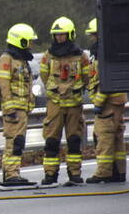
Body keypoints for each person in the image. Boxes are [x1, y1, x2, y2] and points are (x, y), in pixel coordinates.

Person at [38, 16, 90, 185]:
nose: (59, 38)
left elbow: (87, 76)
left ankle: (74, 173)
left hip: (74, 105)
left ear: (70, 35)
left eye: (62, 34)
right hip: (55, 104)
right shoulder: (48, 56)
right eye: (57, 35)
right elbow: (44, 75)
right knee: (51, 140)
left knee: (74, 140)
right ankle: (50, 174)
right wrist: (55, 90)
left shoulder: (80, 56)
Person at [84, 18, 127, 183]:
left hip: (108, 103)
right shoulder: (112, 51)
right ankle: (119, 172)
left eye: (93, 35)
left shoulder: (103, 54)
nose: (92, 38)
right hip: (116, 100)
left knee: (104, 136)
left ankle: (103, 173)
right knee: (116, 137)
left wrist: (98, 103)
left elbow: (105, 82)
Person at [0, 23, 38, 186]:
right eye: (28, 41)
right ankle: (11, 174)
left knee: (18, 141)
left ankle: (13, 173)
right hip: (14, 108)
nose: (30, 45)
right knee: (14, 141)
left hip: (22, 108)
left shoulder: (21, 60)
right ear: (20, 41)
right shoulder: (7, 59)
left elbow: (27, 83)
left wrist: (30, 101)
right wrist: (9, 107)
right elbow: (3, 84)